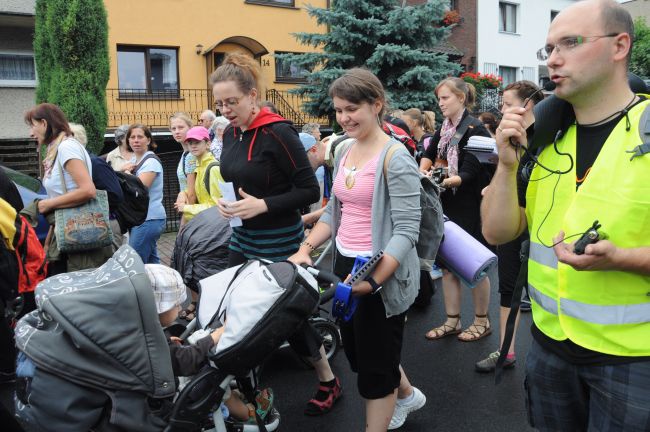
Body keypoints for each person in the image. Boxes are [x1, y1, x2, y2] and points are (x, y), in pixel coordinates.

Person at [481, 1, 650, 429]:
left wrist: (623, 259)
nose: (553, 59)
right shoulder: (545, 136)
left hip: (634, 359)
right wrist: (505, 164)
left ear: (620, 46)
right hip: (548, 347)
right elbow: (497, 231)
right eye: (549, 48)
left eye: (570, 43)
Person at [290, 68, 426, 432]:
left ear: (376, 105)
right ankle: (408, 394)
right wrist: (305, 248)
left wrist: (374, 283)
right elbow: (335, 209)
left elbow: (407, 230)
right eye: (338, 110)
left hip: (378, 268)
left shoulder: (395, 158)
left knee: (374, 367)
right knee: (360, 350)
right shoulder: (345, 148)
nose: (344, 117)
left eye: (352, 108)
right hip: (345, 263)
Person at [211, 53, 341, 416]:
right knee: (235, 309)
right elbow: (237, 180)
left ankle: (329, 380)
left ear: (253, 95)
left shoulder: (278, 131)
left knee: (289, 317)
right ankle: (248, 385)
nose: (225, 109)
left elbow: (308, 191)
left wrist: (263, 206)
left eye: (232, 102)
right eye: (220, 103)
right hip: (242, 236)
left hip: (279, 241)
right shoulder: (232, 132)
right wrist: (231, 206)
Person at [143, 264, 275, 425]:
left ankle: (235, 399)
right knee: (213, 379)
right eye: (175, 304)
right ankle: (249, 415)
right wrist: (217, 334)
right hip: (169, 401)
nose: (179, 309)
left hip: (152, 391)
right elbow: (187, 360)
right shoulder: (153, 347)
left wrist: (166, 341)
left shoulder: (137, 327)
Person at [474, 81, 544, 373]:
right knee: (508, 288)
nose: (500, 109)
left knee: (541, 292)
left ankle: (544, 357)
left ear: (526, 105)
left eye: (506, 103)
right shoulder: (509, 138)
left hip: (540, 225)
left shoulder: (550, 138)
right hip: (511, 221)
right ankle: (505, 351)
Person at [420, 77, 493, 342]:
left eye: (445, 98)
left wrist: (436, 180)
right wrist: (422, 172)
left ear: (461, 98)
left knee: (474, 266)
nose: (440, 104)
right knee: (449, 266)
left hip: (470, 205)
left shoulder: (476, 129)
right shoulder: (445, 128)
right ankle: (452, 320)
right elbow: (428, 153)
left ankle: (482, 321)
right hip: (447, 202)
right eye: (439, 99)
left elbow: (471, 172)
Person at [24, 103, 112, 274]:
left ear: (44, 123)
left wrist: (48, 204)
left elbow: (88, 190)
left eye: (32, 126)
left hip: (79, 233)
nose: (30, 133)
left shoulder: (66, 147)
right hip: (69, 232)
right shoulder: (57, 148)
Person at [69, 123, 125, 251]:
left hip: (105, 225)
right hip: (91, 225)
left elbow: (115, 195)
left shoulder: (94, 163)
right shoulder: (78, 163)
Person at [121, 124, 166, 264]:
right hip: (141, 219)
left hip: (149, 219)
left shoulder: (151, 162)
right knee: (152, 264)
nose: (136, 140)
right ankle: (163, 286)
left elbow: (139, 190)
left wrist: (125, 173)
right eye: (132, 137)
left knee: (134, 263)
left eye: (140, 137)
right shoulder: (134, 161)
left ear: (148, 140)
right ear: (128, 141)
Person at [175, 126, 223, 220]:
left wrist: (186, 208)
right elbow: (200, 192)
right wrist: (183, 193)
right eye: (190, 143)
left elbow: (217, 206)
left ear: (208, 144)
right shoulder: (199, 167)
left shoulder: (213, 168)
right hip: (208, 223)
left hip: (215, 225)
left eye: (197, 142)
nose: (193, 146)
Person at [170, 112, 197, 226]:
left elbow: (192, 193)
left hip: (193, 212)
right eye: (173, 128)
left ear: (190, 128)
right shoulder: (185, 154)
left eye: (181, 127)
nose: (177, 131)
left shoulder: (191, 155)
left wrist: (184, 222)